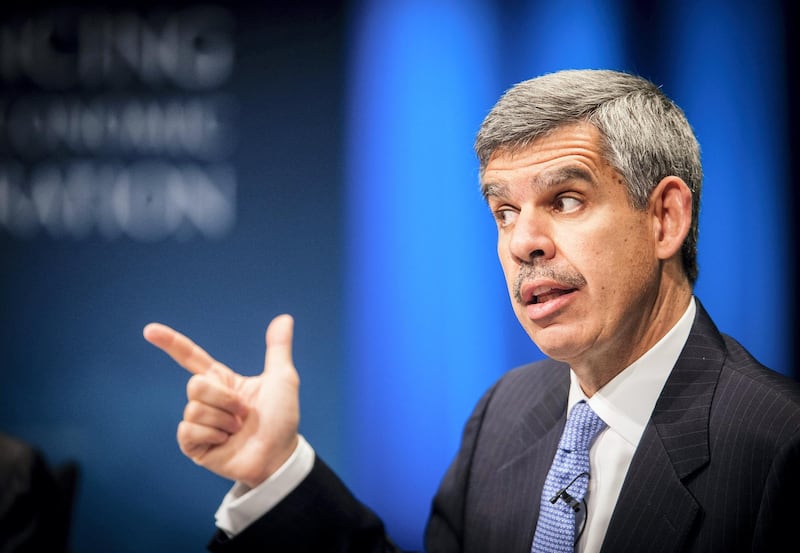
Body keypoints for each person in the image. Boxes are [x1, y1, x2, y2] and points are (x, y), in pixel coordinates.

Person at [143, 69, 800, 552]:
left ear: (666, 218)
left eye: (566, 199)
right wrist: (273, 470)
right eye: (505, 211)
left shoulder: (779, 450)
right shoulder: (505, 416)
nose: (523, 242)